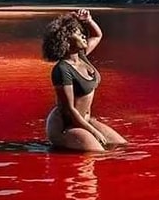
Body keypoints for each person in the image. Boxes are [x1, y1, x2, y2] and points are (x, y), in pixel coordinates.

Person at [42, 9, 128, 152]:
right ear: (66, 41)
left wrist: (88, 21)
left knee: (122, 147)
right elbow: (69, 110)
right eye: (77, 33)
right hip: (66, 126)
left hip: (84, 121)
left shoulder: (81, 56)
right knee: (100, 154)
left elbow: (97, 35)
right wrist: (93, 132)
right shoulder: (62, 69)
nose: (83, 35)